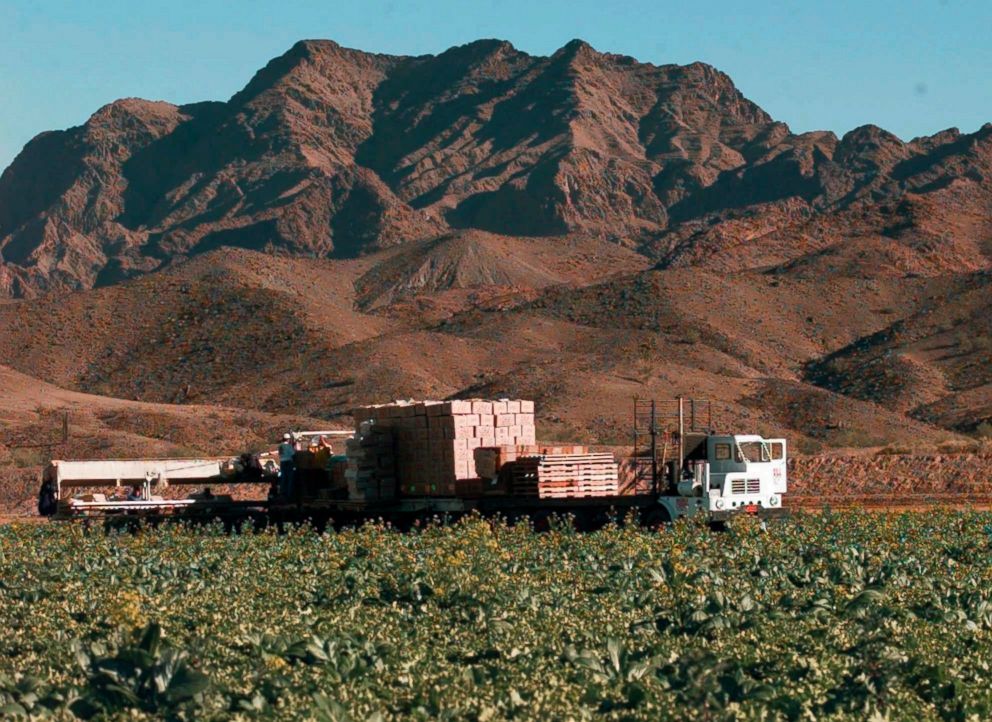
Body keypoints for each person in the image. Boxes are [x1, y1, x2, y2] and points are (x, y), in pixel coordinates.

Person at [279, 433, 296, 500]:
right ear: (288, 439)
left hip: (282, 462)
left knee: (283, 477)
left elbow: (280, 454)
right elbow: (293, 454)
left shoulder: (280, 446)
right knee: (290, 478)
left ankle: (282, 492)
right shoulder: (289, 446)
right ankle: (289, 494)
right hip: (289, 462)